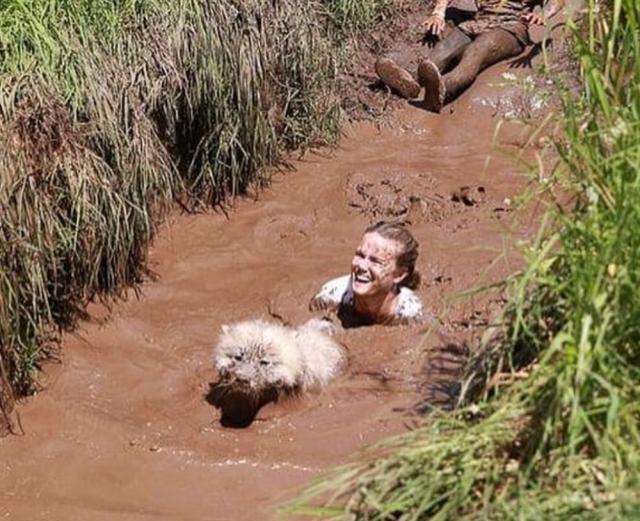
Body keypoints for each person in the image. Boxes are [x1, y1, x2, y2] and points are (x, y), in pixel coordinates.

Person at [375, 0, 565, 111]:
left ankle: (443, 90)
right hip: (477, 23)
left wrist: (544, 15)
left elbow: (557, 1)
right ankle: (411, 84)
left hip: (511, 28)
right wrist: (438, 13)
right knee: (444, 48)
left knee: (478, 50)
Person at [310, 222, 424, 327]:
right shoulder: (329, 298)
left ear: (399, 275)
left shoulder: (412, 315)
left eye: (375, 261)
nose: (361, 266)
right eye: (360, 255)